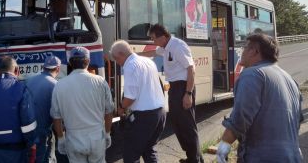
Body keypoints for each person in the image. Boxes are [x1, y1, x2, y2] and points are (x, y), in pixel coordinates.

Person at [216, 33, 303, 162]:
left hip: (262, 157)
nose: (242, 51)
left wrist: (225, 143)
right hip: (293, 156)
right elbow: (298, 119)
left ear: (254, 51)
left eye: (244, 48)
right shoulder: (289, 78)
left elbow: (241, 117)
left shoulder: (252, 74)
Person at [147, 24, 203, 163]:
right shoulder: (165, 47)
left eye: (154, 38)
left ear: (163, 37)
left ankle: (195, 160)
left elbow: (191, 69)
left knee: (187, 125)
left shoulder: (178, 46)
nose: (153, 42)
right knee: (178, 123)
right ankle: (192, 157)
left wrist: (188, 93)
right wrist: (132, 55)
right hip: (174, 88)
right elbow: (153, 53)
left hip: (183, 87)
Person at [50, 47, 114, 163]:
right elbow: (109, 111)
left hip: (73, 138)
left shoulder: (60, 85)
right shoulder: (100, 82)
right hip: (96, 137)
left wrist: (60, 138)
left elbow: (56, 117)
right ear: (88, 61)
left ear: (70, 62)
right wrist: (107, 133)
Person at [110, 40, 166, 163]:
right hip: (160, 113)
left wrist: (120, 108)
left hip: (144, 117)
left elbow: (130, 97)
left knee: (131, 152)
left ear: (121, 54)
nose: (117, 62)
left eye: (116, 58)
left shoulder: (130, 66)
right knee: (149, 149)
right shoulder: (148, 61)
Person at [26, 56, 61, 163]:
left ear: (43, 67)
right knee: (46, 158)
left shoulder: (29, 80)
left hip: (27, 128)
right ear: (58, 69)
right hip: (43, 129)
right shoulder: (55, 85)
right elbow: (58, 113)